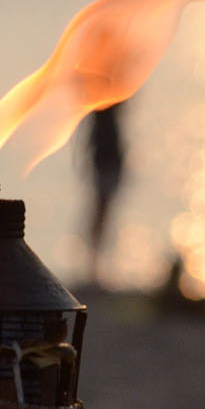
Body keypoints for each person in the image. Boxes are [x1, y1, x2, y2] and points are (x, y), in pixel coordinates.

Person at [81, 102, 126, 285]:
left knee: (100, 217)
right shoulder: (106, 120)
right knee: (100, 218)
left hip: (106, 169)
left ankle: (95, 268)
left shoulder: (102, 119)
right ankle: (93, 268)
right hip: (106, 170)